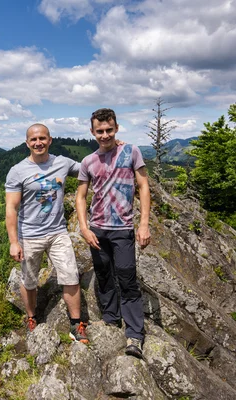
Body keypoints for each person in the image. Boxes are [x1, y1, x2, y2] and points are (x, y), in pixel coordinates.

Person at [75, 108, 151, 358]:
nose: (105, 135)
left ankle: (134, 335)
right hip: (98, 229)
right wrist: (84, 228)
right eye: (100, 131)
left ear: (116, 128)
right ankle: (110, 318)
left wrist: (143, 224)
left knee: (127, 279)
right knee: (104, 275)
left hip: (123, 229)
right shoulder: (88, 161)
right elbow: (81, 196)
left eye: (109, 130)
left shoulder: (131, 151)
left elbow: (143, 185)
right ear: (92, 132)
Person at [5, 123, 89, 344]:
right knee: (29, 280)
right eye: (33, 140)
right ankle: (32, 317)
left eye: (42, 138)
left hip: (57, 231)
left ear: (50, 140)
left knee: (70, 275)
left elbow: (90, 169)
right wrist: (14, 242)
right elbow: (11, 209)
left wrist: (110, 149)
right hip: (29, 235)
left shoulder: (62, 163)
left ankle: (76, 324)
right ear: (27, 143)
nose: (38, 143)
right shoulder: (17, 171)